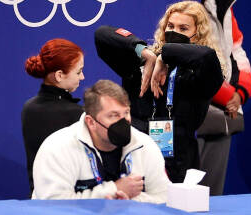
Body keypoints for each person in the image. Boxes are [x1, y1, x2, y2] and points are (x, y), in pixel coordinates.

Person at [94, 0, 224, 183]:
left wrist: (165, 55)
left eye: (183, 28)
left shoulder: (200, 72)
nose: (174, 32)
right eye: (170, 26)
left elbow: (207, 56)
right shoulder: (143, 63)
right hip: (135, 154)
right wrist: (147, 54)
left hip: (178, 160)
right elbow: (102, 34)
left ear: (197, 35)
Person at [32, 79, 170, 202]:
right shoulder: (57, 148)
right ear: (91, 122)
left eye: (126, 113)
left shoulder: (145, 145)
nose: (124, 121)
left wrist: (129, 201)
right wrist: (112, 190)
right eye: (113, 115)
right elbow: (52, 206)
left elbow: (164, 198)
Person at [197, 0, 251, 195]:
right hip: (196, 107)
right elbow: (190, 57)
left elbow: (237, 50)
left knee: (212, 196)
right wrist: (223, 94)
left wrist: (239, 93)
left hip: (226, 108)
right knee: (187, 193)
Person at [22, 38, 85, 194]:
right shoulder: (77, 114)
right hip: (71, 205)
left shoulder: (28, 108)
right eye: (78, 71)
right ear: (59, 75)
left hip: (37, 200)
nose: (82, 77)